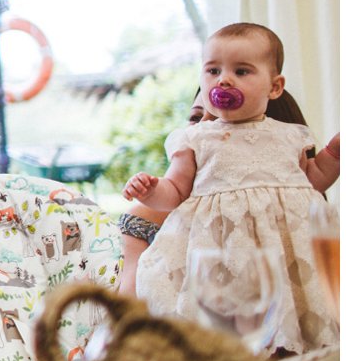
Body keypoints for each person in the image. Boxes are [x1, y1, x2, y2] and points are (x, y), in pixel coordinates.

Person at [124, 22, 340, 352]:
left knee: (297, 318)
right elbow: (175, 192)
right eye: (213, 70)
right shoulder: (195, 139)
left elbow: (312, 180)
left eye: (241, 71)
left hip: (286, 250)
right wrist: (151, 190)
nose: (224, 80)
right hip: (221, 252)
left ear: (275, 87)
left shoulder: (289, 136)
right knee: (228, 332)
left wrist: (333, 156)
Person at [116, 87, 314, 295]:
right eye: (195, 117)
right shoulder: (146, 218)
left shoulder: (299, 224)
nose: (201, 129)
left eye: (222, 121)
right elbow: (129, 310)